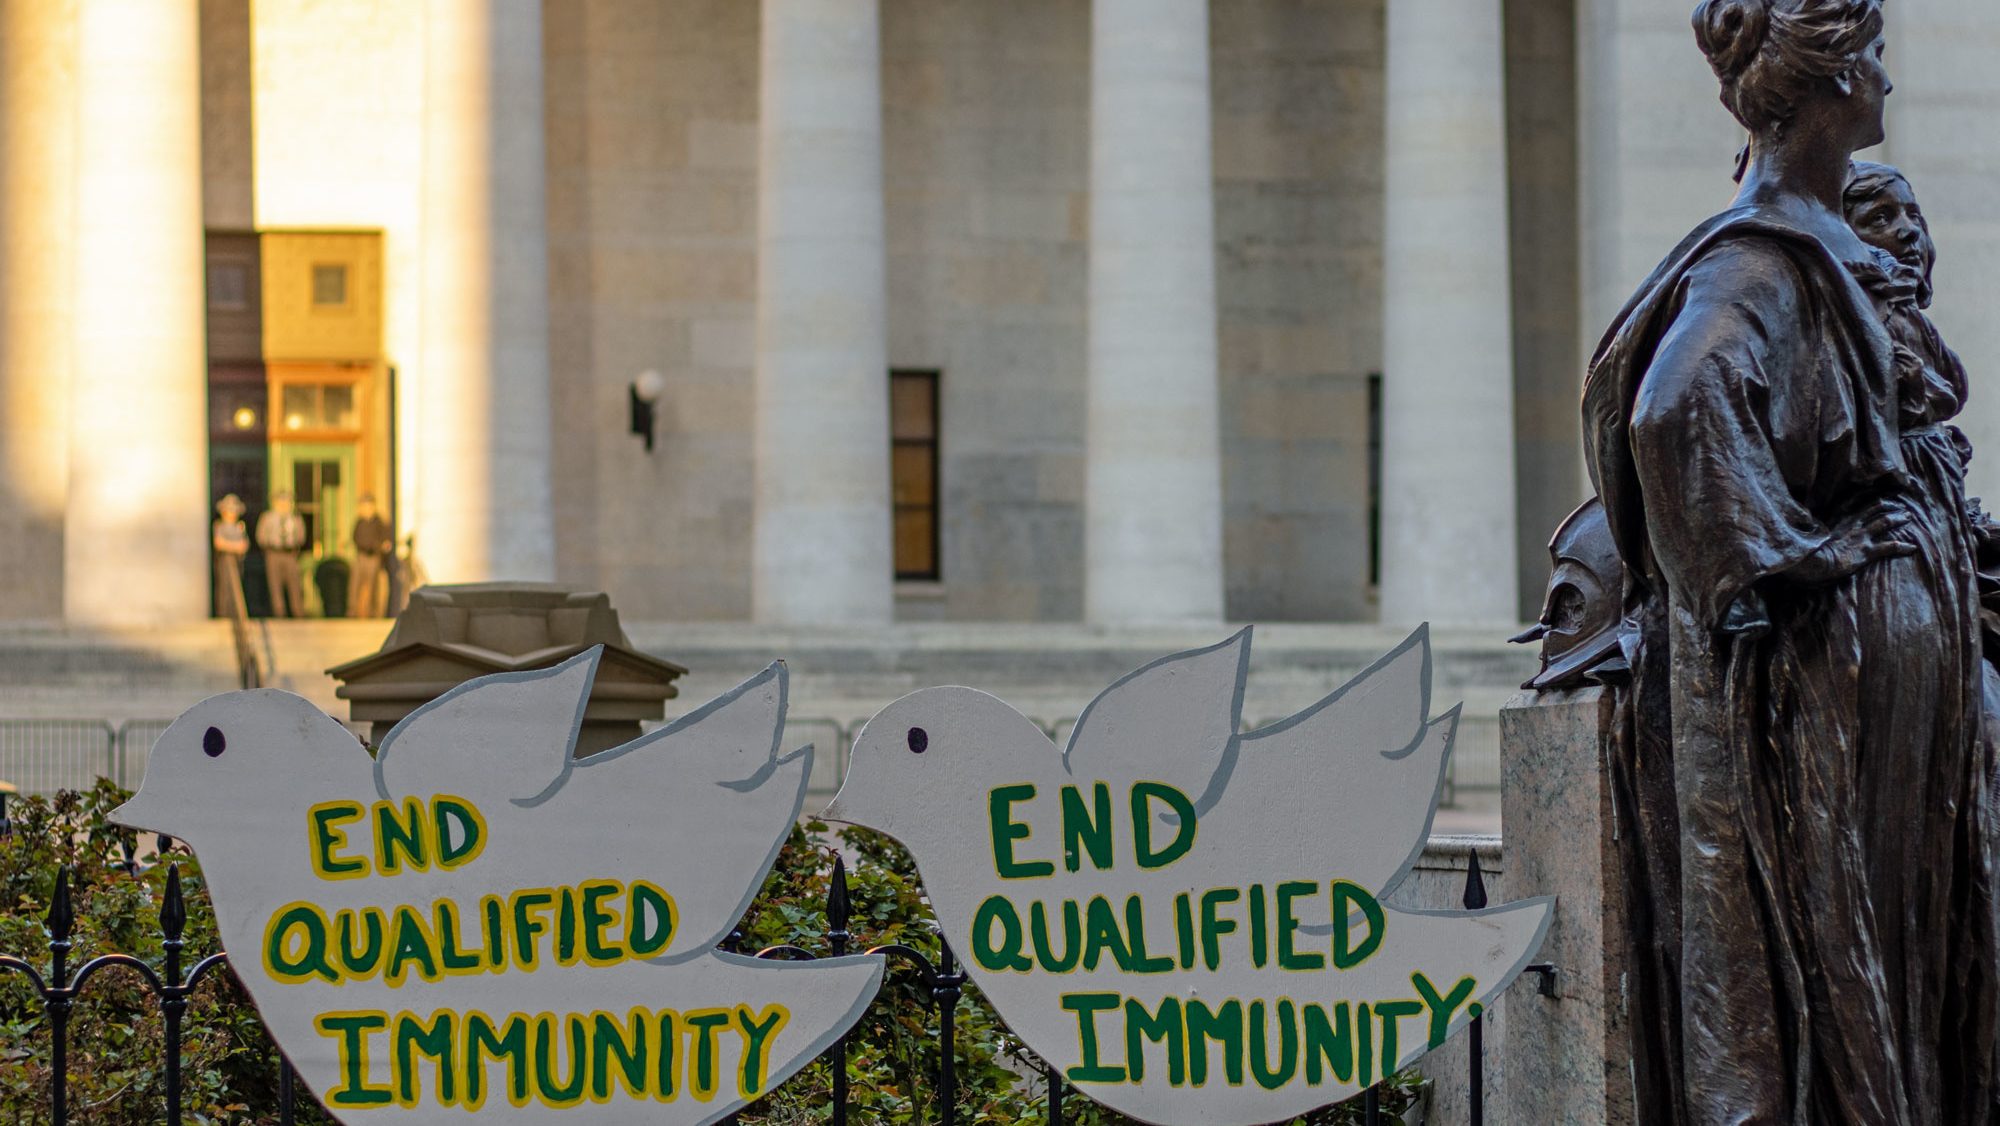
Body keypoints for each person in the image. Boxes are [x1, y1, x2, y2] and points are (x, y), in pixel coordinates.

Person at [1581, 1, 1997, 1121]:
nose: (1886, 83)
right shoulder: (1757, 261)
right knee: (1828, 1000)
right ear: (1822, 84)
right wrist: (1789, 560)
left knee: (1891, 995)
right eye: (1870, 59)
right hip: (1809, 709)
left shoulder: (1823, 242)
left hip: (1873, 707)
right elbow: (1673, 409)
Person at [256, 490, 308, 618]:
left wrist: (294, 546)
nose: (283, 504)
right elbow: (261, 536)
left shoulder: (295, 518)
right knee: (275, 585)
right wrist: (270, 546)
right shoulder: (267, 518)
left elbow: (301, 536)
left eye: (286, 501)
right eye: (281, 501)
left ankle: (298, 612)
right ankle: (279, 613)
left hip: (290, 555)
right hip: (273, 553)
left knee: (294, 585)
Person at [348, 494, 391, 619]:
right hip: (361, 556)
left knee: (373, 587)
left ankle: (374, 614)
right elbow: (355, 537)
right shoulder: (359, 522)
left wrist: (378, 546)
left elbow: (385, 540)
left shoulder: (379, 522)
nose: (365, 509)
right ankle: (352, 612)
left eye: (367, 506)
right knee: (354, 585)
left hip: (373, 557)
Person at [211, 494, 250, 619]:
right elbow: (219, 543)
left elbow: (244, 545)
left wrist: (234, 546)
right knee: (225, 589)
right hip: (224, 560)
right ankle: (223, 615)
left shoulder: (240, 527)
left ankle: (235, 614)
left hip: (237, 560)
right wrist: (234, 546)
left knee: (237, 588)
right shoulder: (219, 526)